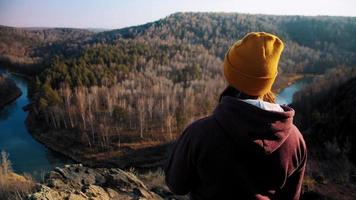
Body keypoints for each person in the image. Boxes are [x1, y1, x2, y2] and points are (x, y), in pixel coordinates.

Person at [164, 32, 307, 200]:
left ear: (231, 76)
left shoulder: (199, 134)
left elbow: (176, 185)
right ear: (269, 81)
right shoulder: (295, 140)